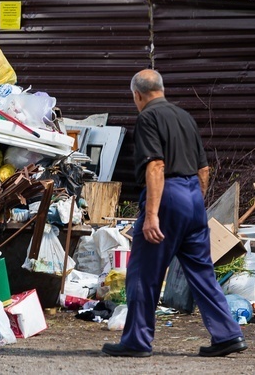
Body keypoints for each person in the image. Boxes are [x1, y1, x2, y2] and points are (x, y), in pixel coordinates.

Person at [102, 69, 247, 358]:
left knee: (144, 273)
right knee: (203, 273)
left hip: (167, 196)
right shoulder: (185, 117)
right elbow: (203, 169)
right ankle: (228, 334)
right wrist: (193, 205)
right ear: (162, 89)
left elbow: (155, 166)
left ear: (137, 95)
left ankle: (136, 341)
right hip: (193, 198)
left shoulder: (148, 117)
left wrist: (153, 215)